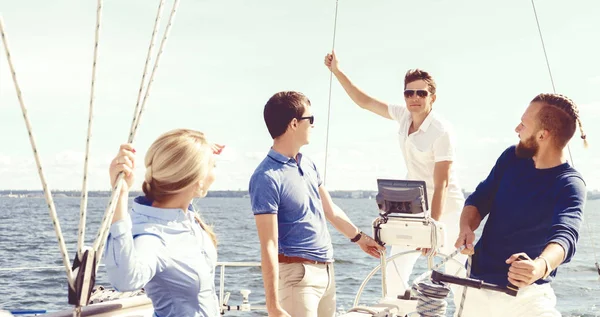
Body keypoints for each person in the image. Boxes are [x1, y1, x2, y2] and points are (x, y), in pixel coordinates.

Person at [324, 51, 467, 299]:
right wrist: (337, 71)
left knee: (456, 275)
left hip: (447, 210)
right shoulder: (403, 116)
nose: (414, 98)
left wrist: (432, 228)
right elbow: (364, 102)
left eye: (421, 93)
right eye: (409, 92)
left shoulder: (441, 130)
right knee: (394, 270)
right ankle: (399, 310)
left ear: (433, 97)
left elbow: (441, 184)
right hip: (415, 205)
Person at [249, 91, 386, 317]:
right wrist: (273, 306)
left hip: (326, 272)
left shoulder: (308, 164)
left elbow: (330, 210)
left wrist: (360, 238)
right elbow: (269, 245)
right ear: (294, 123)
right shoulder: (266, 177)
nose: (313, 125)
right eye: (310, 119)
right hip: (297, 277)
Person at [454, 93, 587, 316]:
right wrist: (466, 228)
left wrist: (540, 266)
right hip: (475, 286)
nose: (517, 128)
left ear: (543, 135)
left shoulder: (570, 184)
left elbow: (565, 237)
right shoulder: (511, 158)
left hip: (526, 296)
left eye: (524, 124)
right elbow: (479, 199)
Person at [104, 129, 224, 317]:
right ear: (197, 181)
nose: (215, 173)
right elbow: (125, 280)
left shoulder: (182, 215)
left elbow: (180, 189)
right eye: (213, 166)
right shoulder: (154, 238)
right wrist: (120, 194)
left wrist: (199, 150)